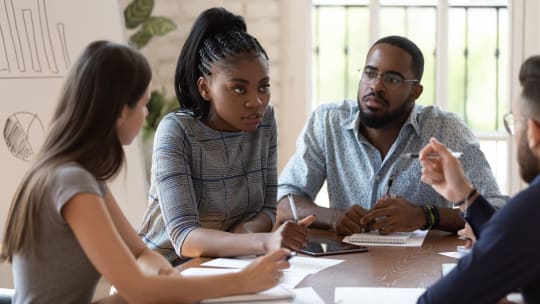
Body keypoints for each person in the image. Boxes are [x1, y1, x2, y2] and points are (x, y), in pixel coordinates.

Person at [0, 40, 291, 304]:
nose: (146, 114)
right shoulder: (71, 181)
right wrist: (244, 280)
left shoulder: (78, 175)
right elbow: (138, 290)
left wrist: (166, 275)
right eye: (143, 104)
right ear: (120, 112)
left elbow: (140, 253)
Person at [277, 35, 506, 235]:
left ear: (415, 92)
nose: (376, 86)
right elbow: (284, 199)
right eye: (370, 73)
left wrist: (426, 216)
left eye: (392, 79)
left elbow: (495, 210)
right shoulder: (327, 121)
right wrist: (334, 218)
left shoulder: (445, 129)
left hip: (419, 269)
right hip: (347, 265)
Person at [138, 7, 314, 265]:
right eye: (239, 89)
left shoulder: (264, 122)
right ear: (205, 88)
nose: (256, 102)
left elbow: (267, 209)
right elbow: (184, 237)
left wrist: (244, 236)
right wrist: (263, 241)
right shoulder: (176, 130)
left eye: (263, 87)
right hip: (166, 268)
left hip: (231, 261)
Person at [417, 56, 540, 303]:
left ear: (533, 133)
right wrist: (465, 195)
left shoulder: (532, 210)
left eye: (515, 123)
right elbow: (512, 242)